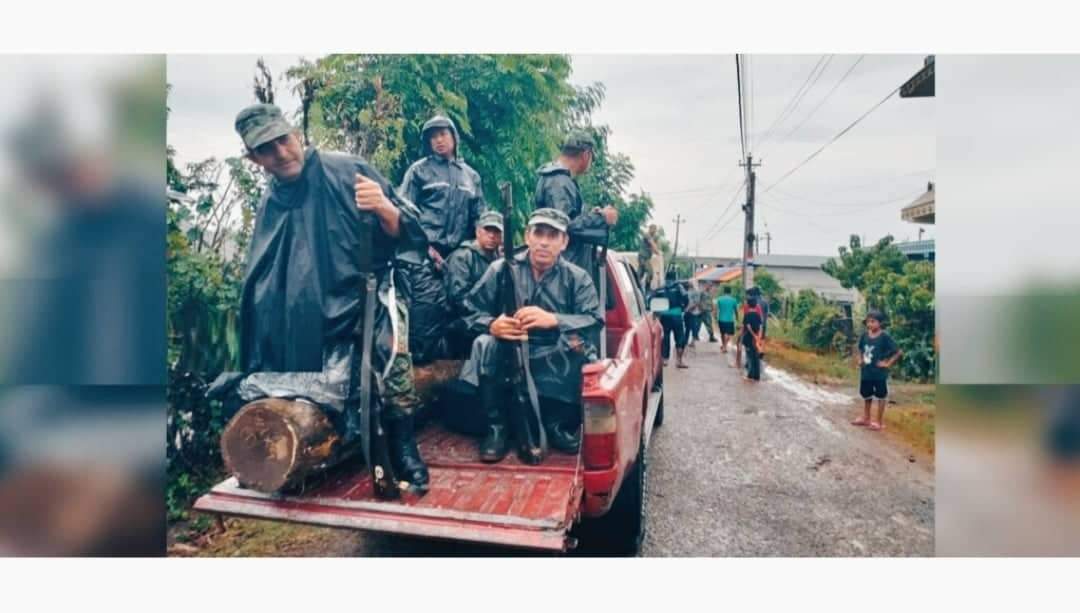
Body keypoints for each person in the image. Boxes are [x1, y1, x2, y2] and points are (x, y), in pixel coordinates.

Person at [232, 103, 430, 491]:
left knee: (394, 364)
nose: (282, 153)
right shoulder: (270, 202)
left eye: (283, 140)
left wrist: (385, 209)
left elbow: (410, 234)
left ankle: (404, 447)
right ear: (254, 159)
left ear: (297, 135)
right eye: (267, 149)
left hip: (369, 296)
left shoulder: (347, 170)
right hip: (310, 317)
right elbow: (264, 275)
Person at [459, 208, 604, 462]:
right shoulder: (500, 269)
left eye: (553, 235)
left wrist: (554, 320)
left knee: (579, 344)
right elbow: (468, 310)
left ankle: (557, 424)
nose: (544, 241)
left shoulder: (578, 278)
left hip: (554, 356)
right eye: (538, 232)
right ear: (527, 236)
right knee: (484, 343)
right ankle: (497, 428)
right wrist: (492, 324)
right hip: (511, 352)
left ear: (564, 242)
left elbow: (595, 321)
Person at [398, 114, 487, 264]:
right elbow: (405, 213)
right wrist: (424, 248)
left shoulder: (471, 176)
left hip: (460, 258)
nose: (439, 140)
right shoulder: (418, 171)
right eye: (433, 137)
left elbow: (480, 218)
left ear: (454, 137)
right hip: (423, 256)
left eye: (443, 134)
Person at [533, 130, 618, 279]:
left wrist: (592, 215)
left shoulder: (559, 180)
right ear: (586, 155)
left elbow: (565, 219)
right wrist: (601, 218)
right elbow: (565, 226)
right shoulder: (558, 182)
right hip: (561, 277)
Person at [443, 210, 503, 358]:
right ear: (478, 231)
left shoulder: (499, 259)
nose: (492, 236)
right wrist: (488, 322)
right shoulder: (462, 257)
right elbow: (459, 301)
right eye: (487, 230)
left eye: (496, 232)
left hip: (486, 317)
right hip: (462, 321)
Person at [851, 309, 902, 431]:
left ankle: (879, 422)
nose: (870, 324)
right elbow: (859, 349)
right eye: (868, 322)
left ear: (879, 323)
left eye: (873, 322)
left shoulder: (885, 337)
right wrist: (860, 360)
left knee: (881, 396)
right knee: (866, 395)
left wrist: (888, 363)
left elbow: (898, 352)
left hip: (879, 373)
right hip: (866, 372)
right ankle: (866, 418)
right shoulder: (864, 336)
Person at [653, 271, 690, 369]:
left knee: (665, 338)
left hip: (664, 317)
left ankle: (665, 360)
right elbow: (686, 298)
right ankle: (679, 361)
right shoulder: (679, 287)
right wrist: (683, 308)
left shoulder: (660, 289)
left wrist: (657, 312)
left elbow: (652, 300)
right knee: (680, 338)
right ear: (675, 278)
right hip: (677, 316)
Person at [741, 294, 765, 381]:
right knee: (756, 356)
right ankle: (757, 376)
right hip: (756, 338)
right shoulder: (758, 315)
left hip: (748, 338)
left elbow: (747, 327)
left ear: (748, 304)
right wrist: (758, 336)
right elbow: (761, 326)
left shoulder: (747, 315)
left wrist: (752, 335)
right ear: (755, 305)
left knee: (749, 356)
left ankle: (750, 375)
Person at [715, 285, 738, 353]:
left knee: (722, 333)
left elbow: (716, 309)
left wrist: (715, 317)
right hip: (730, 320)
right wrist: (737, 318)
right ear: (730, 292)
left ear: (724, 291)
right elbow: (735, 310)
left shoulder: (719, 299)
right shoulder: (733, 300)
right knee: (728, 334)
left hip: (721, 319)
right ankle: (724, 347)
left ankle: (723, 345)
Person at [685, 279, 704, 348]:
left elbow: (697, 302)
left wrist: (689, 309)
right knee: (687, 327)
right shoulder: (688, 291)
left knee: (693, 328)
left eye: (690, 282)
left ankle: (693, 342)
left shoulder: (696, 291)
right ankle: (686, 341)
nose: (688, 283)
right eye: (688, 282)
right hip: (688, 311)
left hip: (693, 312)